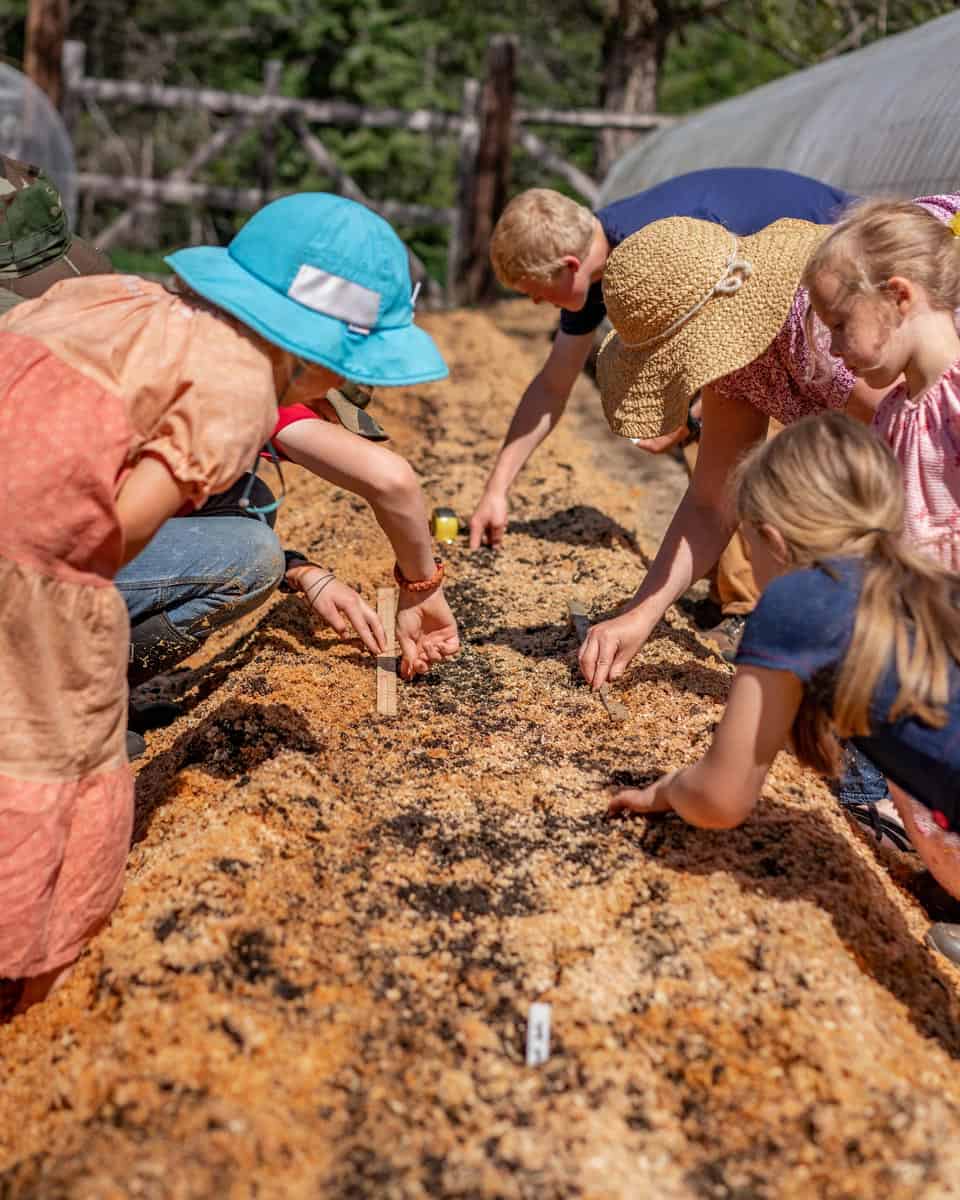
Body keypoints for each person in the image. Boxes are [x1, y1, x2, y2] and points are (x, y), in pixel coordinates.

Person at [0, 191, 451, 1013]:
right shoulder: (240, 388)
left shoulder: (117, 295)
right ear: (316, 362)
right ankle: (36, 983)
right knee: (61, 772)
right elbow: (110, 538)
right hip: (28, 573)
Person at [607, 413, 960, 962]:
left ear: (771, 539)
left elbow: (722, 800)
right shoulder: (932, 585)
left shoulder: (799, 601)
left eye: (749, 549)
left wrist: (670, 788)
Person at [470, 167, 855, 644]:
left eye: (536, 293)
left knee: (768, 472)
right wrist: (497, 488)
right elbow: (553, 384)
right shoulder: (612, 277)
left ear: (569, 265)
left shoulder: (660, 246)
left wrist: (685, 413)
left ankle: (753, 603)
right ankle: (748, 601)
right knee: (723, 452)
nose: (536, 304)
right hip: (763, 338)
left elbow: (726, 329)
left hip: (836, 271)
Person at [121, 218, 461, 754]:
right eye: (327, 411)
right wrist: (423, 589)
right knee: (251, 554)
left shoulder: (175, 326)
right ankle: (62, 702)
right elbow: (391, 480)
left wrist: (301, 570)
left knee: (246, 500)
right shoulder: (246, 382)